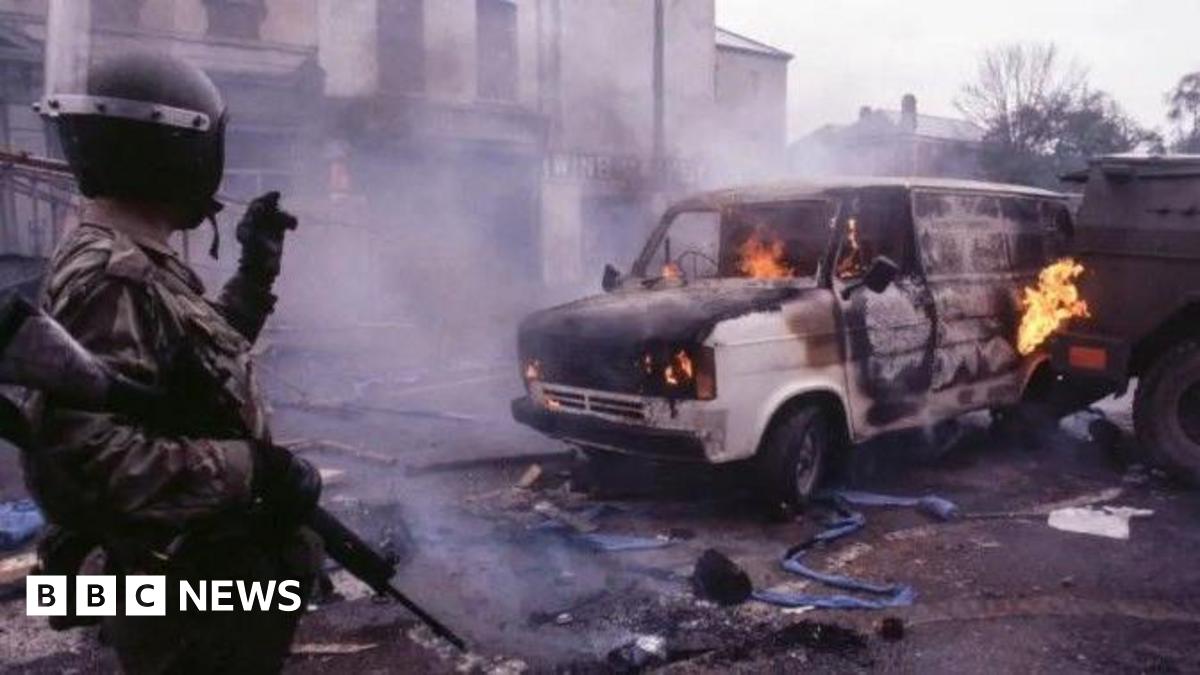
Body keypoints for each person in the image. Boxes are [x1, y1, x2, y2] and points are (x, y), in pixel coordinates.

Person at [24, 51, 322, 673]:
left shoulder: (129, 257)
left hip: (185, 576)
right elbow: (92, 458)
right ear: (174, 154)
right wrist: (252, 469)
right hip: (181, 590)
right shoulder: (113, 274)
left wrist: (255, 273)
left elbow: (191, 371)